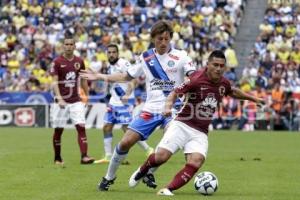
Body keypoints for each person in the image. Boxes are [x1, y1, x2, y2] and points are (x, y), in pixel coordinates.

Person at [128, 50, 265, 196]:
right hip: (182, 124)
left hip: (200, 131)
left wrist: (254, 99)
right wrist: (168, 106)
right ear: (208, 64)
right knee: (161, 157)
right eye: (215, 65)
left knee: (196, 161)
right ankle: (142, 171)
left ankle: (167, 189)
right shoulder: (196, 79)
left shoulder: (223, 82)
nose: (218, 69)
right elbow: (175, 92)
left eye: (222, 66)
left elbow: (232, 91)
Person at [80, 20, 196, 191]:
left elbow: (193, 75)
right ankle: (108, 177)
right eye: (159, 39)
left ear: (171, 38)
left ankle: (149, 171)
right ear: (153, 39)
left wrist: (190, 82)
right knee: (126, 142)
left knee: (170, 142)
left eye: (166, 39)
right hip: (150, 109)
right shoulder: (146, 57)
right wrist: (99, 76)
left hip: (173, 108)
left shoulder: (181, 56)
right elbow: (127, 76)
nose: (163, 42)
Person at [94, 44, 154, 164]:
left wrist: (127, 94)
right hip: (113, 101)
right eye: (109, 52)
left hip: (124, 102)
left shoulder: (123, 63)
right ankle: (108, 156)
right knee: (106, 127)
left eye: (113, 52)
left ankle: (149, 150)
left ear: (117, 53)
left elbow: (133, 79)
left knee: (127, 129)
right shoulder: (108, 66)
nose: (111, 54)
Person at [50, 34, 94, 165]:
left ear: (74, 46)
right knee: (58, 130)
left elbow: (84, 80)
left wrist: (87, 96)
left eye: (71, 44)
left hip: (76, 100)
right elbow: (54, 82)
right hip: (61, 102)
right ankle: (57, 158)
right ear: (63, 46)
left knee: (81, 127)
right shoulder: (57, 62)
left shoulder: (79, 61)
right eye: (66, 44)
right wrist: (59, 98)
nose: (69, 46)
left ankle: (84, 156)